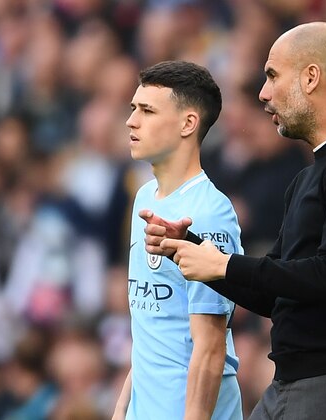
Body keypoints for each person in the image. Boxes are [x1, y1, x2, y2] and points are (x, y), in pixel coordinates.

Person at [142, 22, 326, 419]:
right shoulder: (308, 176)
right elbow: (275, 295)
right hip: (293, 384)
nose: (264, 94)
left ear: (311, 77)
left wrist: (225, 264)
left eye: (272, 76)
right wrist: (195, 250)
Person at [112, 61, 243, 420]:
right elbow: (151, 330)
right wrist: (122, 410)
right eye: (133, 109)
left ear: (188, 124)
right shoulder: (145, 198)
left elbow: (210, 347)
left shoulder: (209, 212)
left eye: (148, 110)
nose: (131, 121)